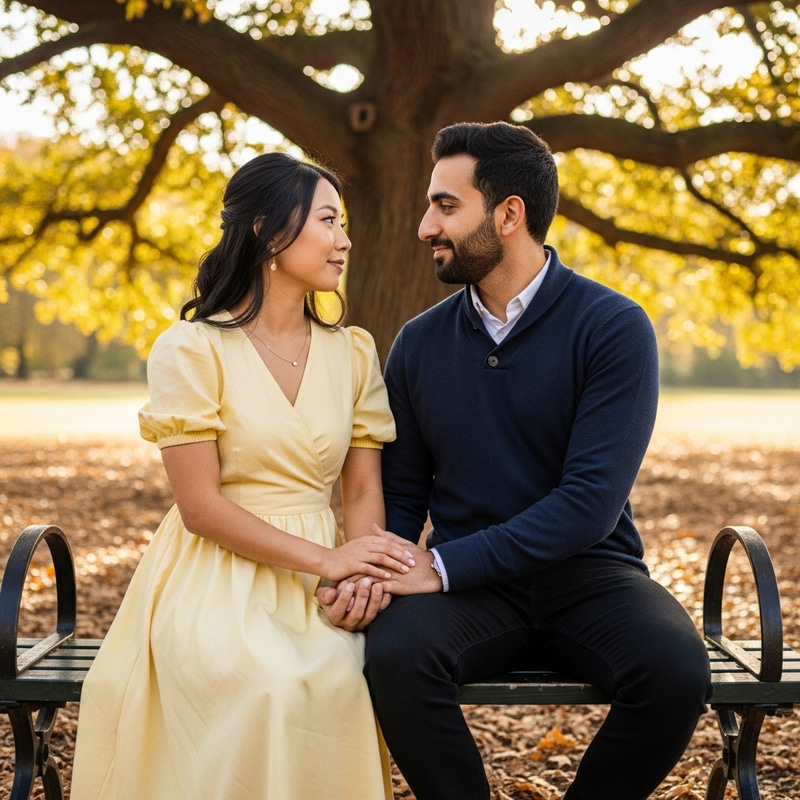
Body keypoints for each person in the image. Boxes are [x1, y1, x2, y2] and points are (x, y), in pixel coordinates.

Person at [318, 121, 712, 800]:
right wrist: (375, 572)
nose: (423, 227)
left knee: (676, 670)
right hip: (471, 591)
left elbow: (588, 505)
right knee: (396, 656)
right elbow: (403, 494)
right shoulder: (418, 343)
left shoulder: (613, 327)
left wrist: (437, 566)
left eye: (445, 206)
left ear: (508, 214)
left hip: (590, 574)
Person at [70, 152, 414, 800]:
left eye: (344, 224)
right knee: (270, 687)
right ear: (266, 230)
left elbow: (363, 488)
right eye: (328, 220)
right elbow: (199, 507)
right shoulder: (191, 348)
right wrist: (328, 559)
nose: (344, 240)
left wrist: (360, 570)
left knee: (344, 681)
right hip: (213, 577)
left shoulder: (354, 351)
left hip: (323, 577)